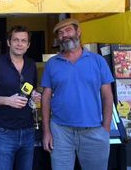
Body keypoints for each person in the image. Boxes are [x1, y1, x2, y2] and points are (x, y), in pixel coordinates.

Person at [41, 18, 114, 170]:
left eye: (68, 30)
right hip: (60, 131)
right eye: (60, 33)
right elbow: (46, 98)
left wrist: (105, 128)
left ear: (78, 32)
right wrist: (46, 131)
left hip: (93, 130)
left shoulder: (97, 61)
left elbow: (107, 96)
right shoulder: (52, 63)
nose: (64, 35)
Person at [0, 25, 41, 170]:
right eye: (15, 40)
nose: (19, 44)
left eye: (23, 41)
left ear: (28, 45)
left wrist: (34, 94)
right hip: (4, 132)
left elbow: (30, 89)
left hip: (28, 130)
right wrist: (7, 100)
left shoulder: (31, 65)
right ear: (9, 42)